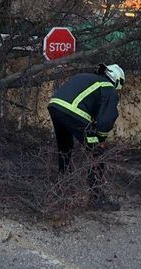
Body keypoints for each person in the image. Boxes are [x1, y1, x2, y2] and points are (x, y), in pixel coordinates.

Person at [48, 63, 125, 211]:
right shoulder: (109, 89)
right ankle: (96, 198)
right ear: (117, 81)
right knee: (97, 155)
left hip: (55, 106)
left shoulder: (87, 77)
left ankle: (62, 188)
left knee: (65, 148)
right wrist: (101, 140)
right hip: (74, 112)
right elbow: (106, 120)